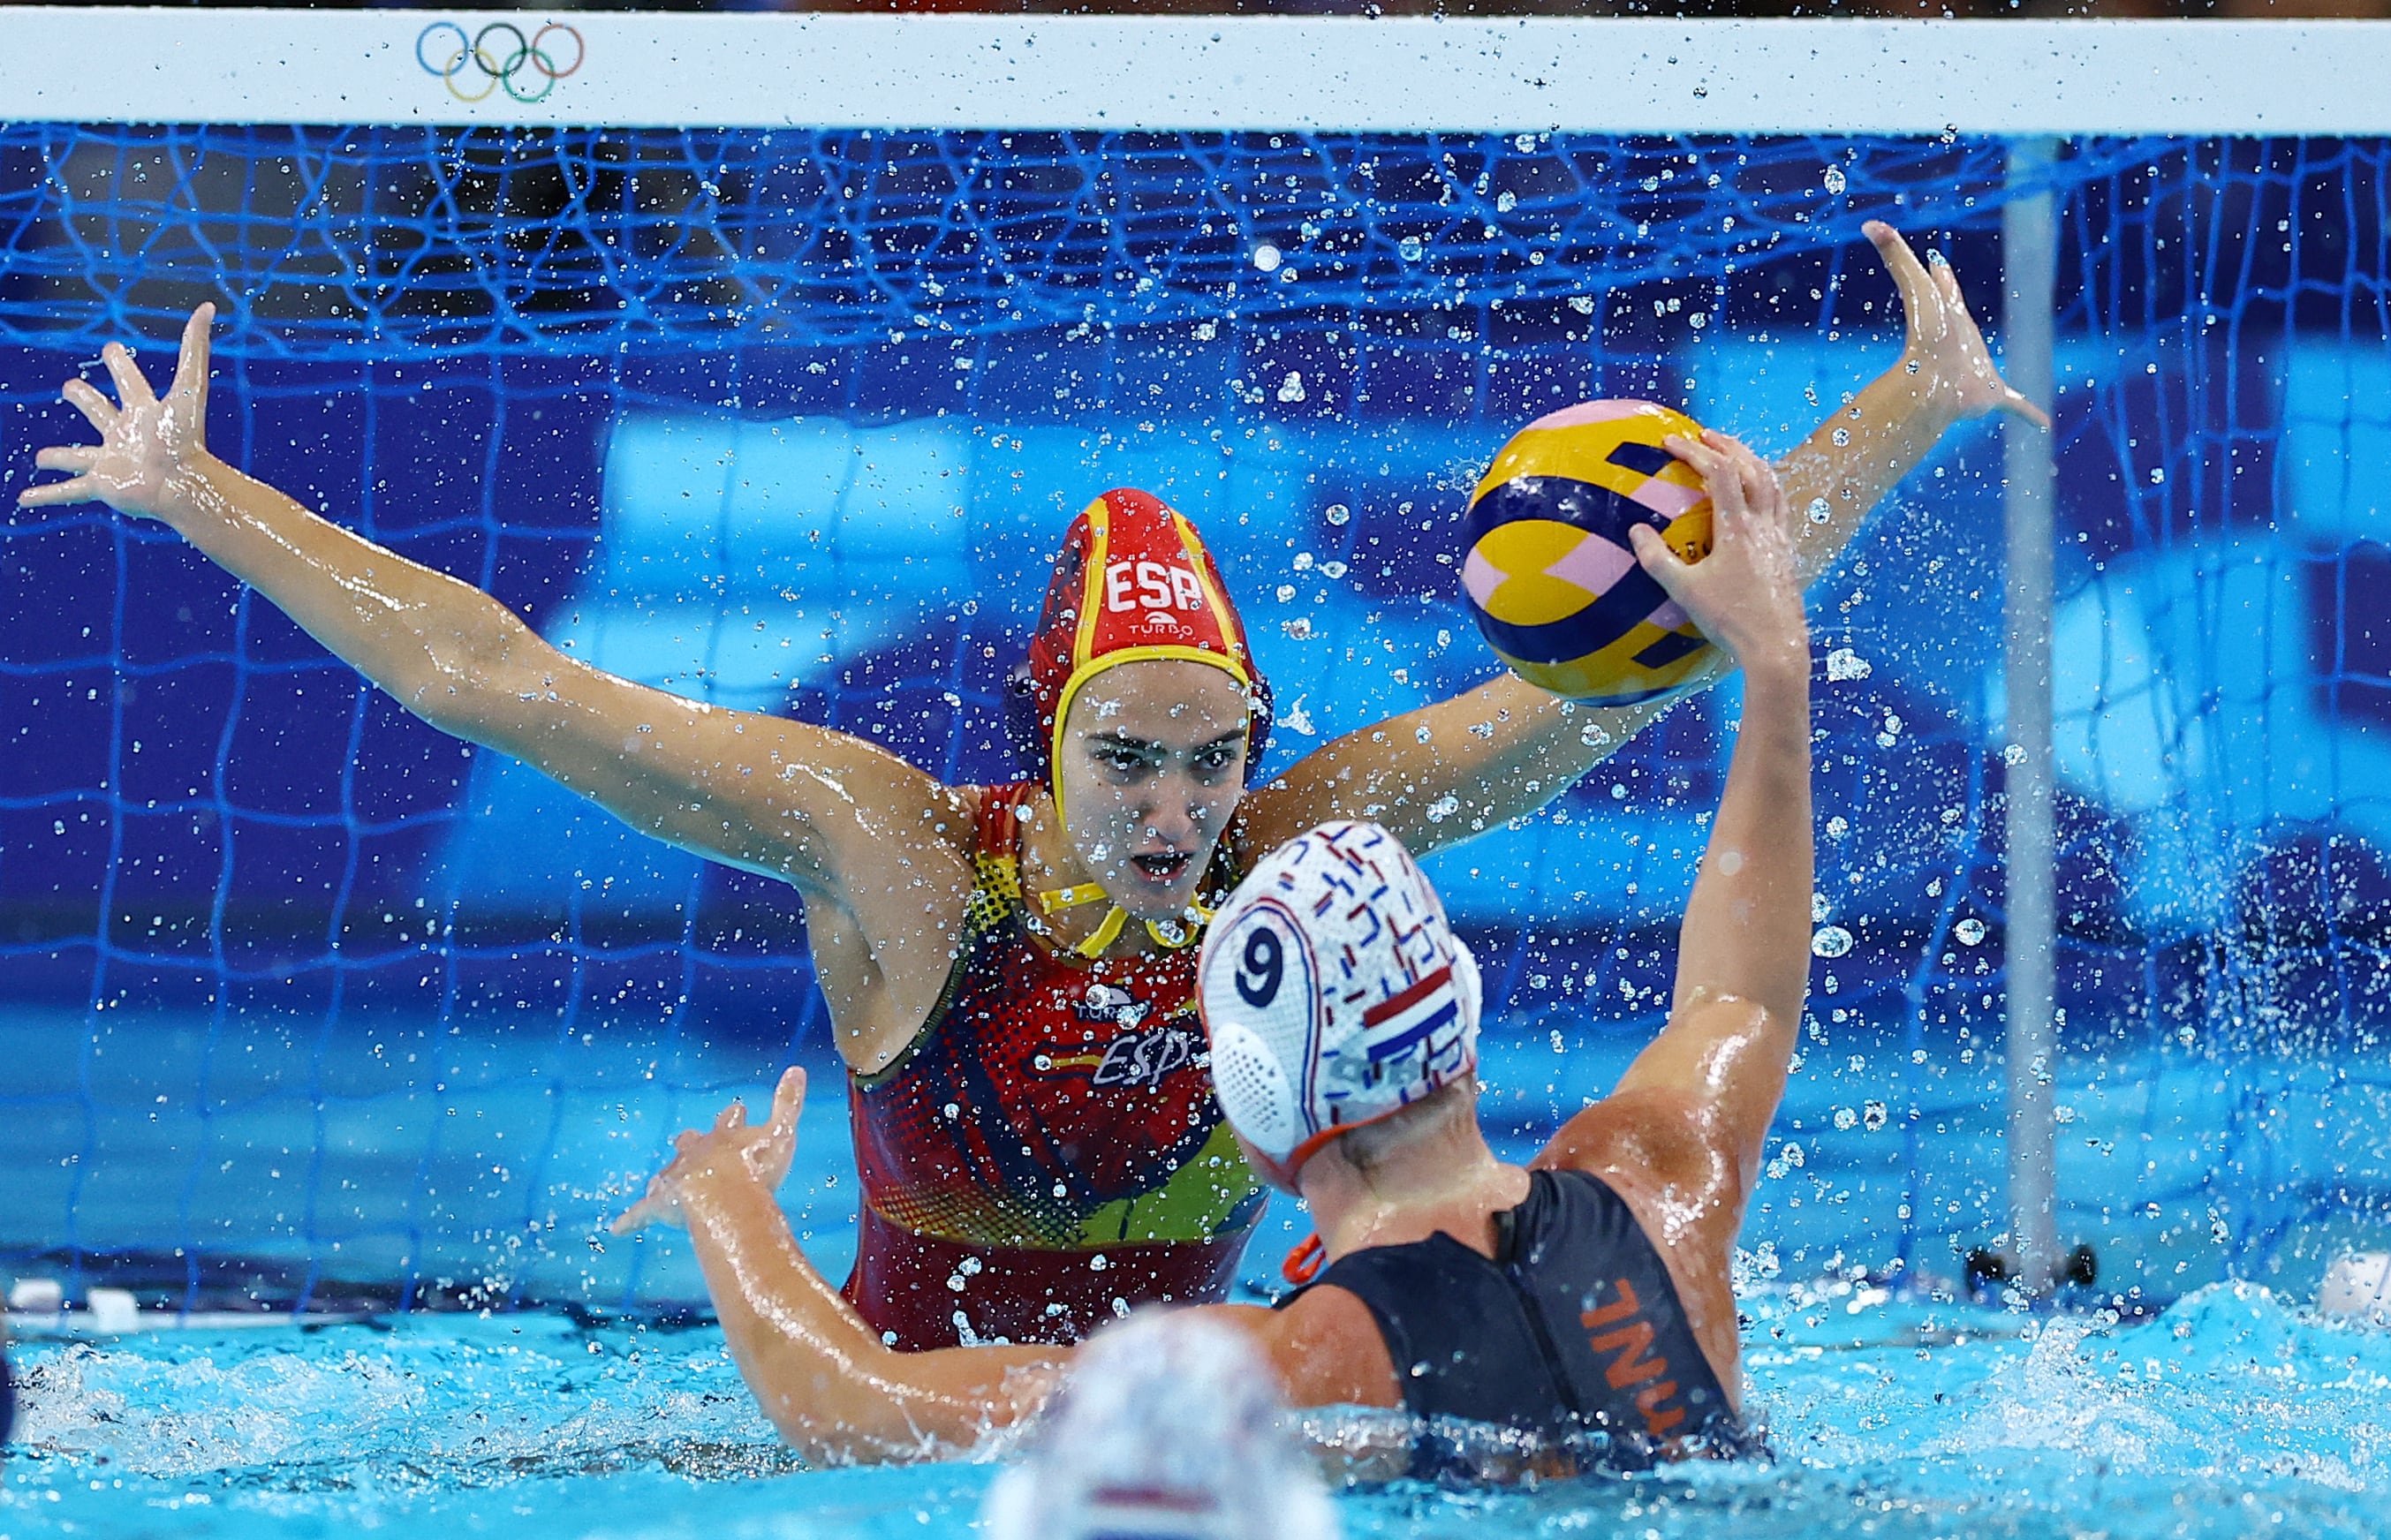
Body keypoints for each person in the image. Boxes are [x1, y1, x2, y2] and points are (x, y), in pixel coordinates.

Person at [20, 222, 2028, 1351]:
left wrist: (1906, 408)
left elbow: (1624, 678)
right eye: (1124, 759)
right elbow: (499, 678)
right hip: (908, 1448)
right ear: (1040, 735)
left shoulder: (1290, 847)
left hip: (1234, 1423)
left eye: (1208, 756)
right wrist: (203, 494)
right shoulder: (899, 857)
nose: (1174, 807)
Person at [607, 427, 1815, 1471]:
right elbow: (1742, 1004)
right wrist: (1771, 660)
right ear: (1458, 1020)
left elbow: (851, 1408)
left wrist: (724, 1202)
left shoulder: (1293, 1374)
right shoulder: (1656, 1196)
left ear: (1252, 1111)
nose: (1175, 809)